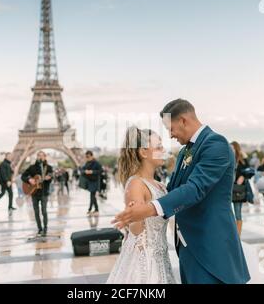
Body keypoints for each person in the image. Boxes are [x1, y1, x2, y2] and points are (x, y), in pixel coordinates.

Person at [113, 99, 250, 284]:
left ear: (183, 120)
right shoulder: (185, 152)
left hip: (211, 246)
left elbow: (195, 188)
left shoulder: (215, 144)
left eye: (170, 128)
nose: (170, 135)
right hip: (189, 248)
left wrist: (147, 209)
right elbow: (173, 193)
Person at [107, 127, 176, 284]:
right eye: (158, 146)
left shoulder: (160, 186)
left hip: (161, 257)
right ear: (143, 152)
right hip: (144, 262)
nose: (163, 149)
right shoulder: (136, 184)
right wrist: (133, 217)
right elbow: (136, 231)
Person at [21, 151, 53, 237]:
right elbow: (23, 176)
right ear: (36, 157)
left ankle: (45, 228)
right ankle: (39, 229)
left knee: (44, 211)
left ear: (45, 157)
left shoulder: (48, 168)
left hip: (44, 192)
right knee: (36, 212)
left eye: (42, 156)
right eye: (39, 155)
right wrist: (29, 180)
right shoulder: (32, 168)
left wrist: (48, 178)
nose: (40, 157)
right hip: (34, 192)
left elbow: (51, 177)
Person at [231, 142, 249, 237]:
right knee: (228, 213)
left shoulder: (242, 160)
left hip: (238, 189)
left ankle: (238, 235)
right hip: (228, 189)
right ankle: (231, 233)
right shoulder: (227, 158)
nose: (232, 150)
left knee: (238, 212)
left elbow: (249, 171)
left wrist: (243, 176)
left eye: (233, 148)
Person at [81, 151, 102, 216]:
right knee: (92, 196)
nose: (87, 158)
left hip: (95, 181)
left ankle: (90, 209)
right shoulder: (87, 163)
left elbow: (100, 171)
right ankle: (96, 209)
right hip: (90, 181)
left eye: (88, 156)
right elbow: (82, 170)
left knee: (92, 196)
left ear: (92, 156)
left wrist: (92, 172)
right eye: (86, 157)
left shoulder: (96, 163)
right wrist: (85, 171)